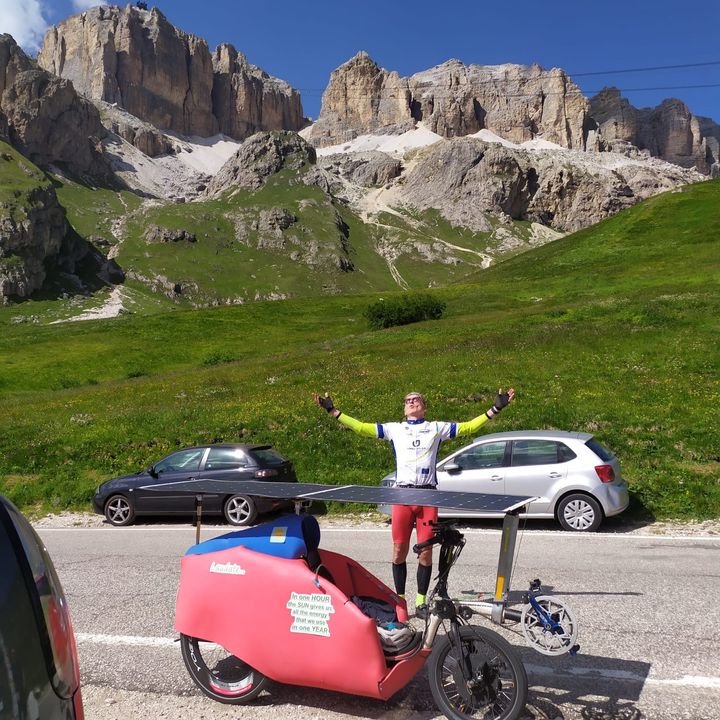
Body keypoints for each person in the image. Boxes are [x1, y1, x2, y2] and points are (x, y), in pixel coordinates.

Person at [313, 387, 515, 618]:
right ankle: (400, 600)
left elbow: (468, 426)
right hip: (402, 496)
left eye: (416, 399)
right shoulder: (394, 429)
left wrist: (495, 409)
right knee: (399, 550)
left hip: (428, 496)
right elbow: (361, 427)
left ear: (424, 407)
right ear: (404, 408)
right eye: (407, 400)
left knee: (426, 552)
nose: (411, 401)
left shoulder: (437, 428)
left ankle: (420, 601)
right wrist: (334, 412)